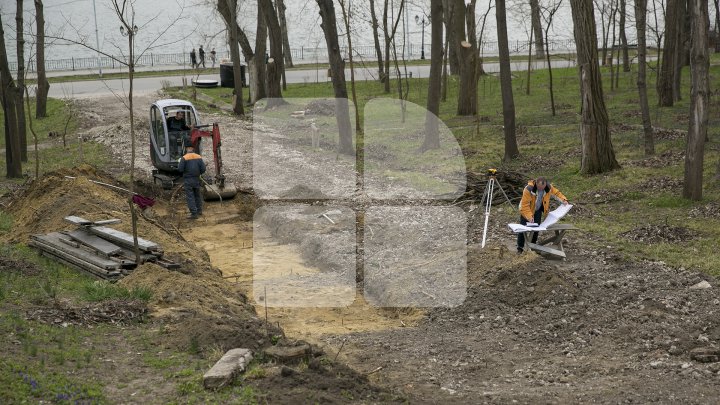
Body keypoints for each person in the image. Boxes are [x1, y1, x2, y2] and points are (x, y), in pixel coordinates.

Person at [517, 177, 569, 253]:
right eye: (539, 187)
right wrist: (529, 217)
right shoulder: (528, 189)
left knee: (536, 229)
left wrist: (564, 200)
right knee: (522, 229)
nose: (540, 189)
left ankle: (532, 246)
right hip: (526, 210)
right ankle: (520, 248)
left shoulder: (548, 187)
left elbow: (557, 193)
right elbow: (525, 205)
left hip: (538, 210)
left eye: (542, 188)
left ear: (545, 184)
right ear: (536, 183)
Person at [178, 145, 206, 219]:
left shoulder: (184, 158)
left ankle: (194, 213)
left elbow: (180, 169)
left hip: (188, 179)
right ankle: (199, 211)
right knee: (197, 195)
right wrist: (198, 173)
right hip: (196, 179)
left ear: (187, 149)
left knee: (190, 196)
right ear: (193, 148)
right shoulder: (198, 157)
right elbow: (203, 169)